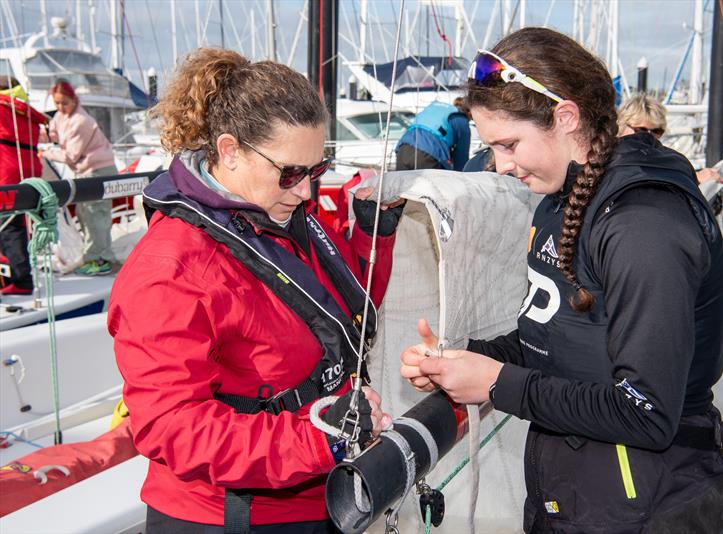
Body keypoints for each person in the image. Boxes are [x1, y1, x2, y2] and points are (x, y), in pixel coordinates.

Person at [400, 28, 723, 533]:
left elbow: (646, 412)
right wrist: (463, 360)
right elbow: (553, 340)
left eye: (509, 144)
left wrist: (495, 383)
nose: (502, 165)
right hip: (577, 497)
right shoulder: (560, 201)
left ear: (566, 117)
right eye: (492, 148)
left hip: (648, 506)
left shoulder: (644, 225)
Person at [109, 48, 401, 533]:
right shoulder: (171, 269)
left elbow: (338, 307)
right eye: (290, 172)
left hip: (321, 493)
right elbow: (171, 428)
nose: (306, 190)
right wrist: (317, 439)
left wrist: (373, 234)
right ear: (229, 151)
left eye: (317, 169)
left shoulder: (282, 214)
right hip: (231, 517)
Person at [39, 80, 117, 276]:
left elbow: (71, 155)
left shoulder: (82, 121)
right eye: (57, 103)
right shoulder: (61, 116)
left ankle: (100, 260)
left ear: (74, 99)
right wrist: (33, 136)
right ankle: (95, 256)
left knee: (95, 215)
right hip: (85, 172)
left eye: (64, 102)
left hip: (99, 171)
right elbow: (52, 134)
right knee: (85, 213)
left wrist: (44, 154)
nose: (60, 107)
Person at [0, 77, 49, 295]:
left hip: (6, 173)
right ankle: (14, 273)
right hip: (29, 172)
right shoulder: (26, 112)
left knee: (9, 226)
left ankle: (21, 280)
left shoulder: (2, 108)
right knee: (16, 224)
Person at [617, 93, 723, 185]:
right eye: (641, 130)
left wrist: (694, 178)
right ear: (622, 126)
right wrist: (692, 180)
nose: (649, 138)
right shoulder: (611, 160)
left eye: (656, 132)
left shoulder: (666, 160)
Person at [395, 98, 471, 171]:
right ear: (470, 112)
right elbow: (461, 160)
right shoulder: (462, 120)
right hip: (429, 154)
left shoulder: (436, 107)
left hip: (403, 148)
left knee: (402, 184)